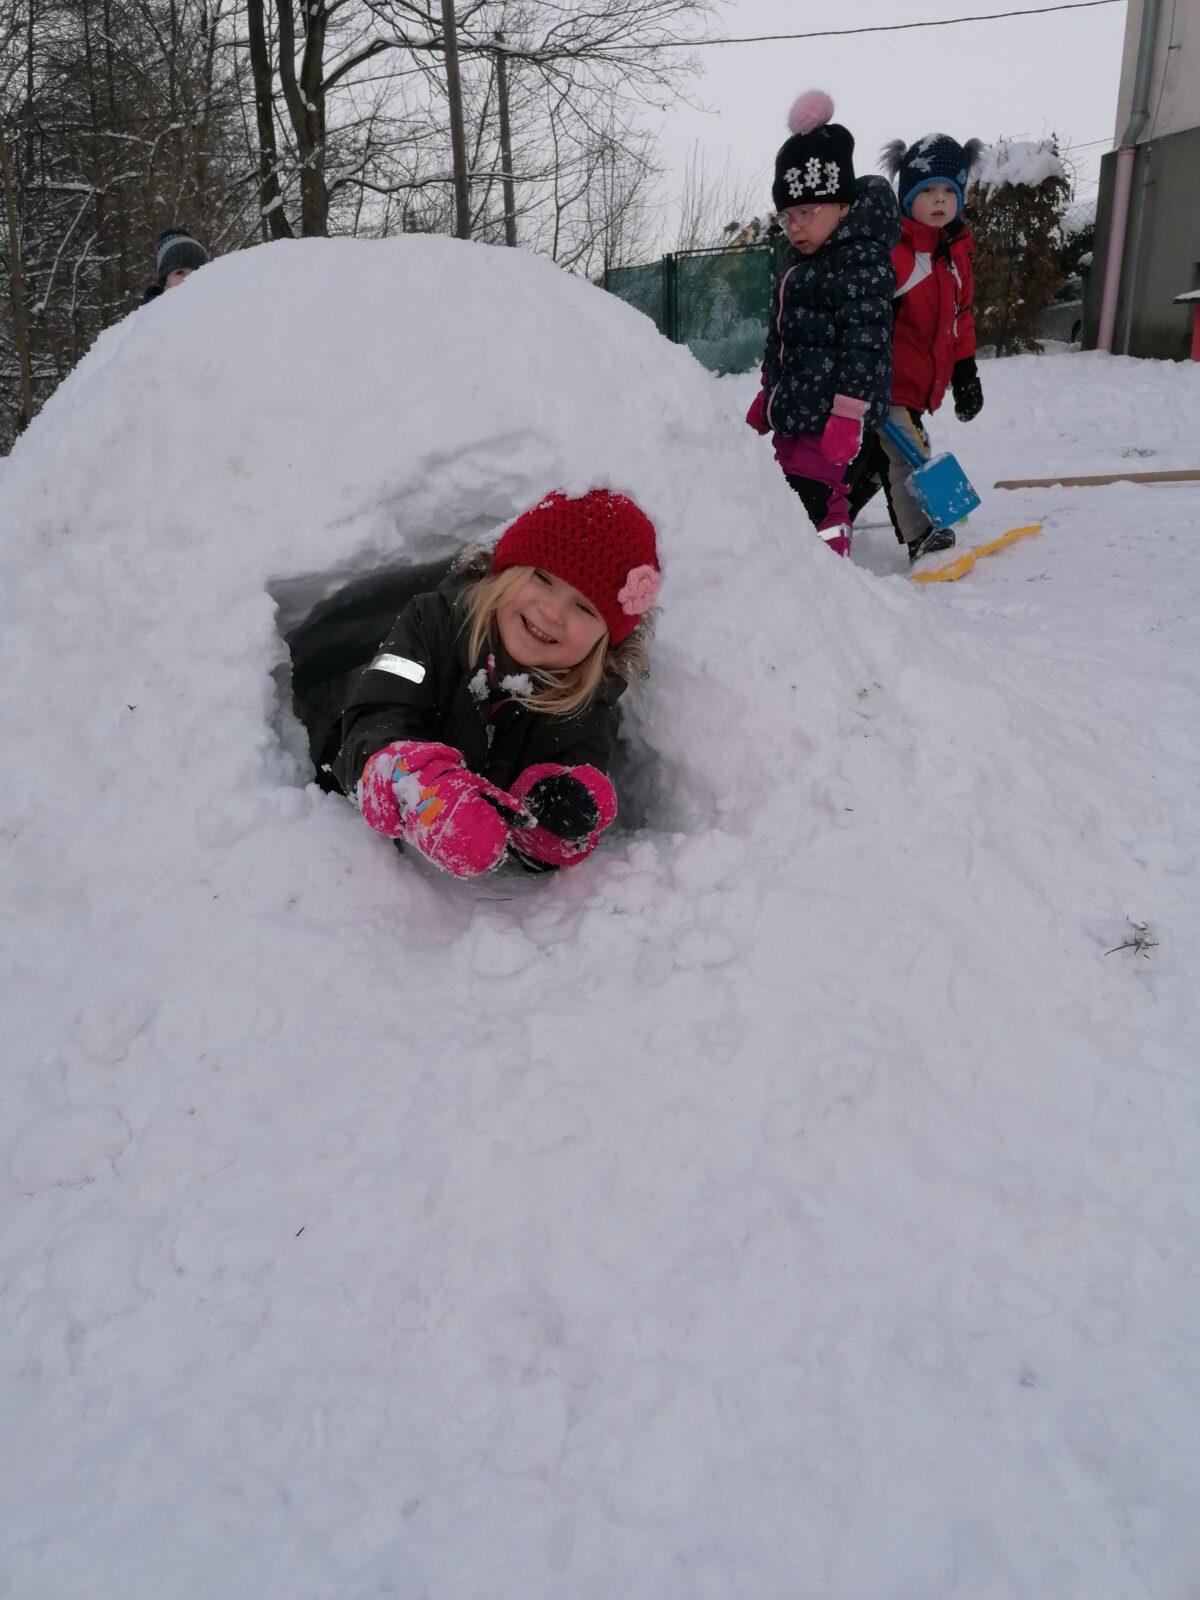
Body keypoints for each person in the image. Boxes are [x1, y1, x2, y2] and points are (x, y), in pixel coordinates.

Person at [331, 489, 661, 880]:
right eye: (542, 577)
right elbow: (376, 717)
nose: (552, 611)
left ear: (604, 641)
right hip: (336, 755)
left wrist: (552, 823)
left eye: (585, 607)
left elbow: (556, 805)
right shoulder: (431, 625)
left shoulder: (586, 706)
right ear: (507, 570)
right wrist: (418, 786)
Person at [745, 90, 899, 560]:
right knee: (779, 493)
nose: (794, 226)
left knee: (813, 498)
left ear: (843, 204)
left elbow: (865, 346)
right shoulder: (798, 266)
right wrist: (767, 394)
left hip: (831, 417)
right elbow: (782, 339)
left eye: (806, 213)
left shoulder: (861, 263)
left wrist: (847, 417)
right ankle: (790, 563)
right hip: (794, 410)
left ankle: (829, 571)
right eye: (786, 215)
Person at [856, 134, 985, 563]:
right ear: (906, 197)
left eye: (949, 190)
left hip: (919, 386)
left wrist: (966, 373)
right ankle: (924, 537)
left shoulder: (955, 255)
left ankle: (827, 516)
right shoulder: (899, 254)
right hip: (886, 383)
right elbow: (864, 315)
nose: (939, 200)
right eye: (927, 190)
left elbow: (961, 316)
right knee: (912, 456)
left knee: (884, 458)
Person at [139, 226, 210, 306]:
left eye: (197, 271)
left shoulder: (214, 305)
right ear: (165, 282)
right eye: (179, 272)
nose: (190, 277)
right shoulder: (152, 313)